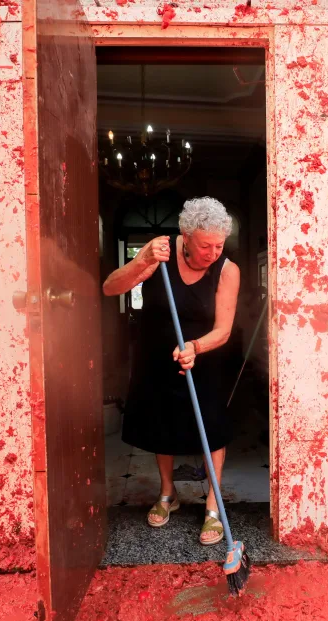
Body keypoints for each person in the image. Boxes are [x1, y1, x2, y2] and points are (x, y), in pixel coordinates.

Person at [102, 197, 240, 545]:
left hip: (204, 354)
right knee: (161, 423)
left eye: (219, 245)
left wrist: (195, 347)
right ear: (185, 236)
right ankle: (168, 494)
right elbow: (110, 288)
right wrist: (142, 261)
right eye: (205, 245)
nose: (212, 252)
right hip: (156, 355)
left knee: (212, 428)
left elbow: (224, 329)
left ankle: (212, 504)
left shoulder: (227, 270)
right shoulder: (159, 254)